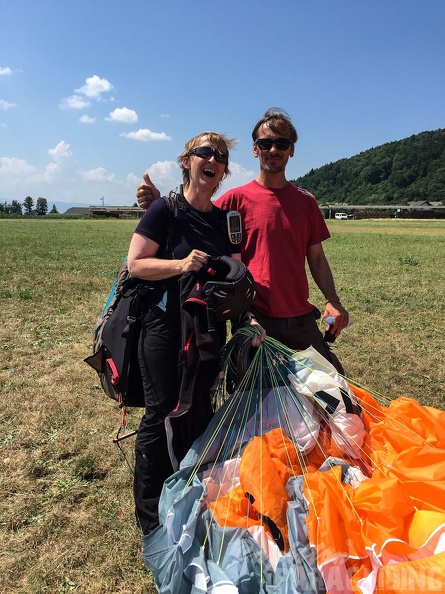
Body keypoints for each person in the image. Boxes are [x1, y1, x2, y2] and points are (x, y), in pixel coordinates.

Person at [136, 108, 349, 374]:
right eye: (265, 143)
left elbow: (316, 257)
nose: (273, 149)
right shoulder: (234, 201)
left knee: (334, 394)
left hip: (301, 318)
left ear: (291, 150)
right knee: (259, 405)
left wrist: (333, 300)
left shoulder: (306, 202)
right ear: (255, 150)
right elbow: (194, 220)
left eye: (281, 143)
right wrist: (160, 208)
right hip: (255, 319)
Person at [127, 131, 262, 535]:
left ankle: (189, 494)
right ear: (187, 161)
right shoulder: (164, 211)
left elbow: (237, 279)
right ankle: (151, 517)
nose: (213, 159)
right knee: (162, 411)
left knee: (200, 408)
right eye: (205, 152)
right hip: (163, 326)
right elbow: (136, 264)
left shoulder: (224, 222)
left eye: (220, 156)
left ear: (223, 172)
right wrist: (181, 264)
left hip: (206, 329)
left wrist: (246, 318)